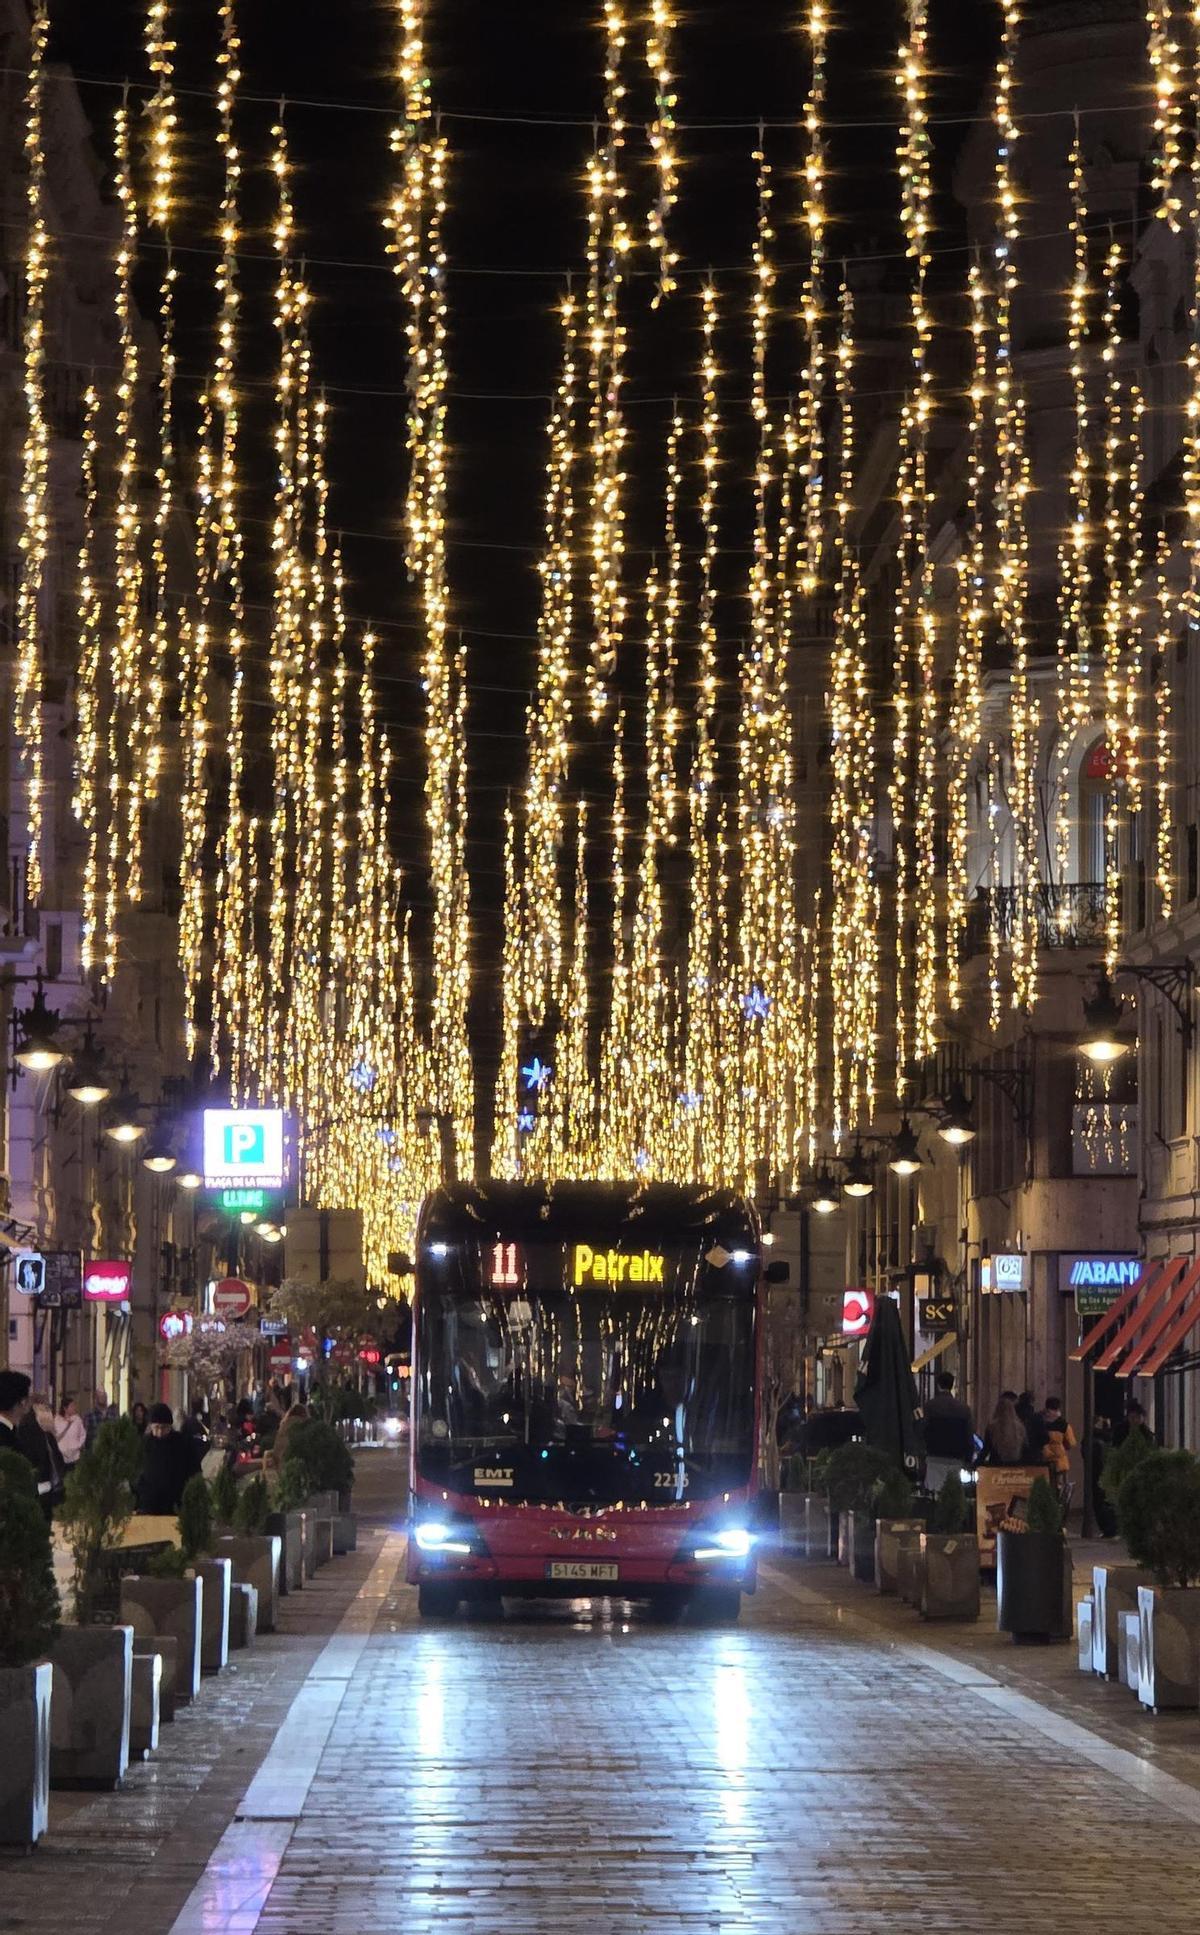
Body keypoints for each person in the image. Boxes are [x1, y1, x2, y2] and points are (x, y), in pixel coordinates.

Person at [135, 1400, 203, 1514]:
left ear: (170, 1426)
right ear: (151, 1426)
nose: (160, 1432)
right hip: (148, 1505)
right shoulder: (143, 1445)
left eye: (164, 1427)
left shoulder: (183, 1443)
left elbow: (194, 1471)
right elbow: (136, 1472)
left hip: (176, 1504)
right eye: (157, 1427)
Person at [19, 1390, 66, 1520]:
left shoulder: (46, 1430)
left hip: (51, 1484)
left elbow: (54, 1454)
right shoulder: (28, 1427)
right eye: (46, 1407)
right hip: (39, 1483)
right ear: (36, 1407)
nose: (49, 1411)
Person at [924, 1372, 975, 1460]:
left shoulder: (930, 1406)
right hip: (957, 1457)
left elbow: (923, 1431)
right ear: (952, 1385)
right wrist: (968, 1459)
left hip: (934, 1456)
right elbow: (969, 1437)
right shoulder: (964, 1409)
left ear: (938, 1385)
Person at [1039, 1396, 1077, 1497]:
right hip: (1059, 1461)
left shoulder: (1040, 1421)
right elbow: (1071, 1443)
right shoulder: (1064, 1424)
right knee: (1058, 1488)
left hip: (1042, 1459)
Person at [980, 1393, 1028, 1466]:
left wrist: (976, 1464)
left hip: (995, 1465)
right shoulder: (1020, 1427)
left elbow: (986, 1449)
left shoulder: (992, 1427)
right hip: (1015, 1467)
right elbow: (1025, 1448)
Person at [1091, 1416, 1119, 1537]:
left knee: (1100, 1502)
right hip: (1106, 1475)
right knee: (1106, 1502)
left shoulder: (1095, 1440)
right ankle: (1110, 1528)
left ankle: (1108, 1529)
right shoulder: (1108, 1441)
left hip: (1098, 1475)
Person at [55, 1395, 87, 1466]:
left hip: (75, 1455)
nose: (74, 1408)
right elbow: (56, 1436)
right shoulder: (57, 1420)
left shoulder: (77, 1419)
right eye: (72, 1406)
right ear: (65, 1408)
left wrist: (79, 1445)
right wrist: (67, 1425)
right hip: (62, 1455)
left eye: (74, 1406)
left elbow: (83, 1434)